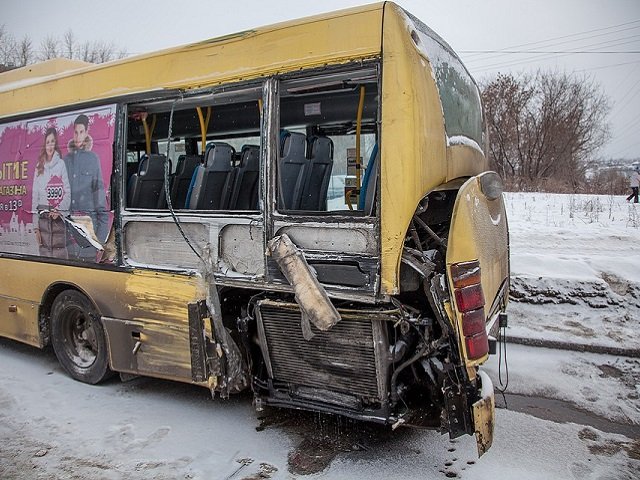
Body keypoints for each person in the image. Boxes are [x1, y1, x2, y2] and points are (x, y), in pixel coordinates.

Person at [64, 114, 109, 260]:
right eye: (75, 132)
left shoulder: (93, 159)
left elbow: (102, 207)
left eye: (81, 132)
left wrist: (100, 242)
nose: (78, 136)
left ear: (86, 132)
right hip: (69, 237)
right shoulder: (65, 161)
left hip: (89, 235)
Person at [32, 127, 71, 258]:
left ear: (56, 143)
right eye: (47, 142)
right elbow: (34, 196)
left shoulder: (61, 164)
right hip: (42, 218)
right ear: (44, 144)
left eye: (52, 141)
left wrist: (59, 210)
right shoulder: (39, 167)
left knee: (59, 255)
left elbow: (67, 191)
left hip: (57, 217)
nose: (50, 145)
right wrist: (35, 227)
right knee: (44, 257)